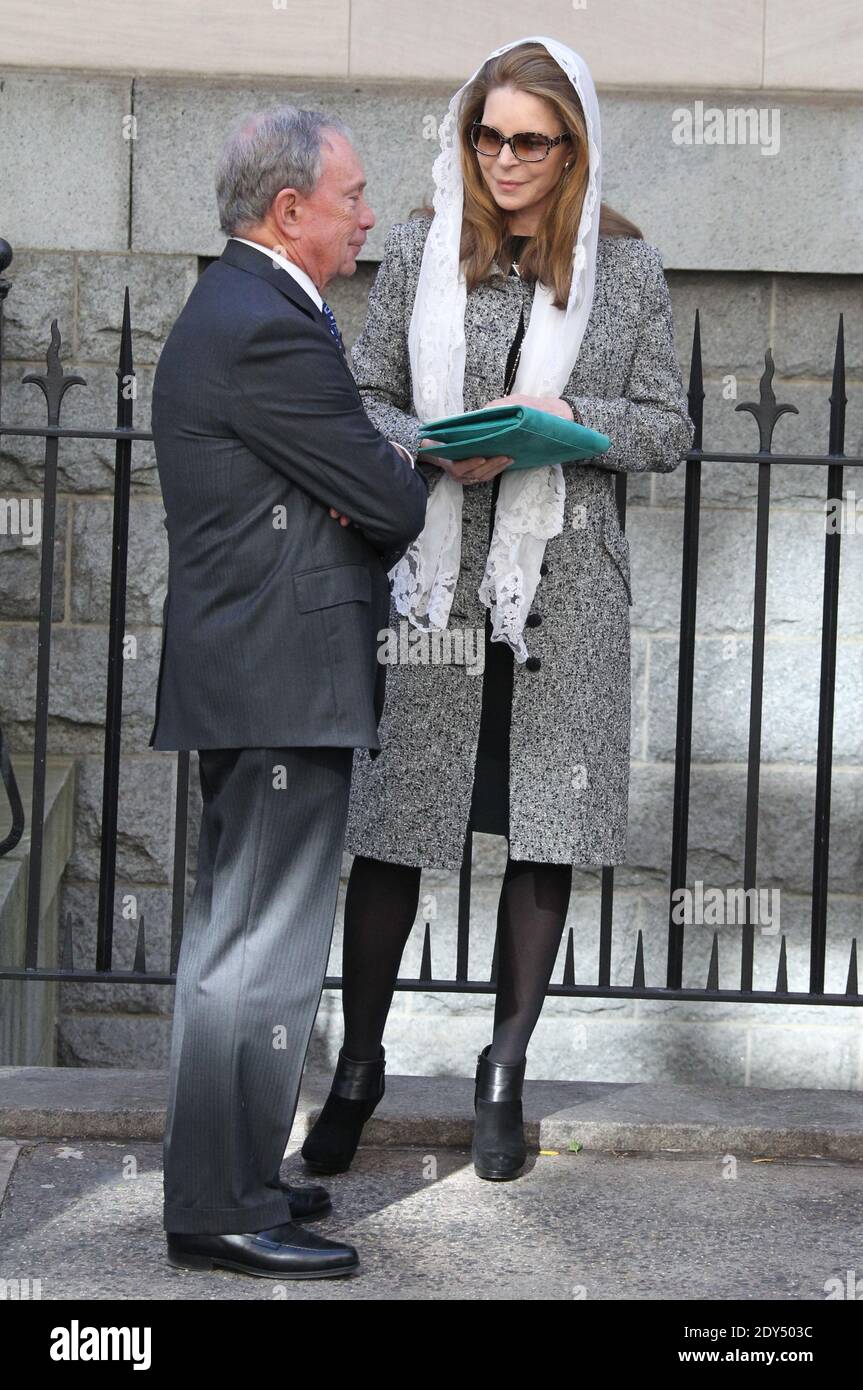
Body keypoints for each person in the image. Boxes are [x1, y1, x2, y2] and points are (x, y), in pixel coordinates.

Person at [302, 36, 694, 1182]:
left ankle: (503, 1072)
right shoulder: (426, 247)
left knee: (543, 835)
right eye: (488, 135)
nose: (505, 158)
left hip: (563, 591)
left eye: (529, 139)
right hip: (433, 577)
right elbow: (360, 396)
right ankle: (358, 1070)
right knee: (392, 832)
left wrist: (569, 414)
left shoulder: (626, 267)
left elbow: (668, 428)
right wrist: (428, 444)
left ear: (571, 146)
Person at [148, 106, 428, 1278]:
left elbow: (353, 486)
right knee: (253, 953)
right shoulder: (267, 325)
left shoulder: (255, 311)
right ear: (290, 211)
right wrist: (374, 483)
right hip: (274, 680)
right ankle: (217, 1205)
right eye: (355, 195)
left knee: (252, 942)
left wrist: (355, 486)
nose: (369, 215)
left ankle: (245, 1176)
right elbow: (391, 499)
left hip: (267, 674)